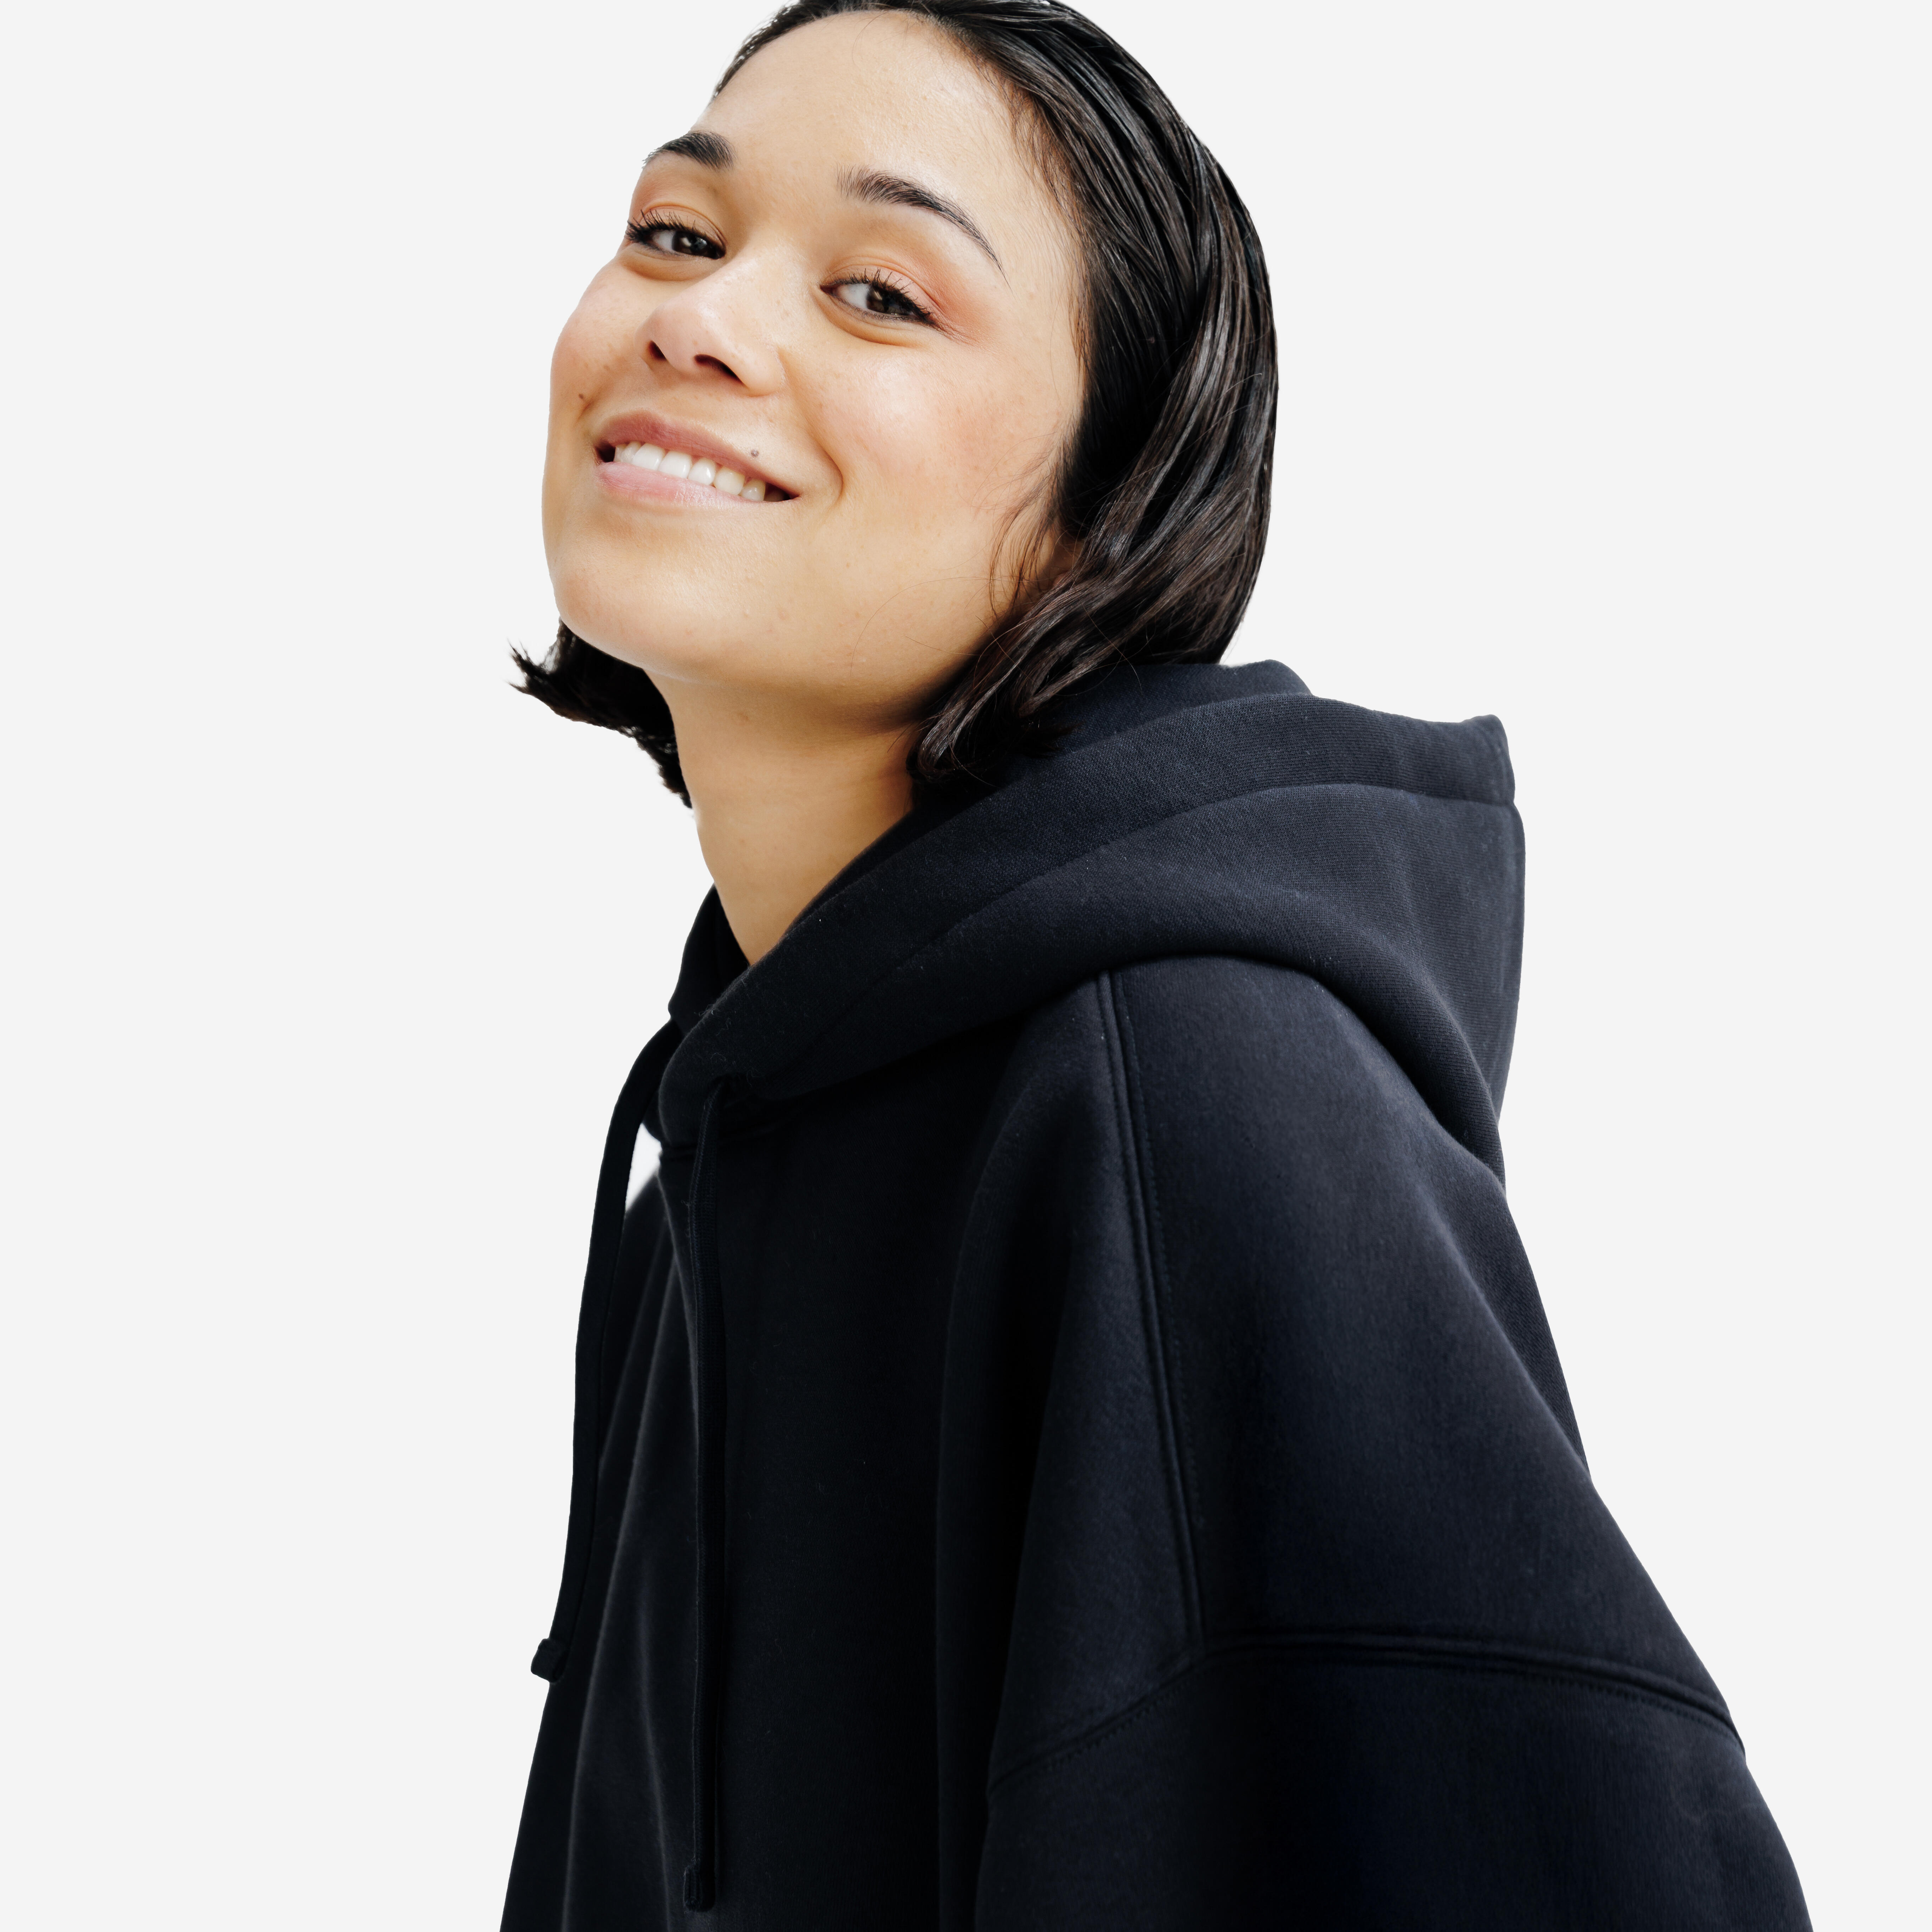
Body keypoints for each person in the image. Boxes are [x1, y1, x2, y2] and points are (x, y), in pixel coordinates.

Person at [499, 2, 1809, 1925]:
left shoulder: (1191, 1096)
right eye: (676, 233)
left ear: (1106, 519)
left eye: (880, 292)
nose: (700, 316)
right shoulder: (738, 1133)